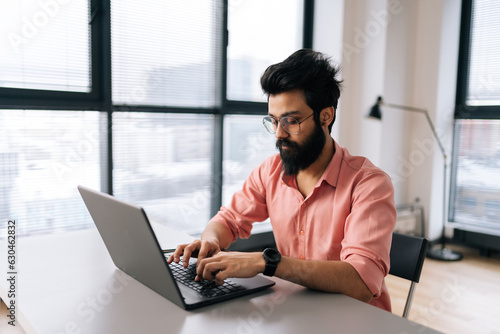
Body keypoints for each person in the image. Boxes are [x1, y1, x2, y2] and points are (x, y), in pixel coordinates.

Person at [168, 48, 396, 311]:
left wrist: (268, 263)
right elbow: (228, 220)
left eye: (291, 121)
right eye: (274, 121)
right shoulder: (271, 171)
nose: (279, 134)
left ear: (326, 116)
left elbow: (361, 283)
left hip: (356, 320)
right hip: (297, 310)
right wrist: (210, 241)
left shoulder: (369, 184)